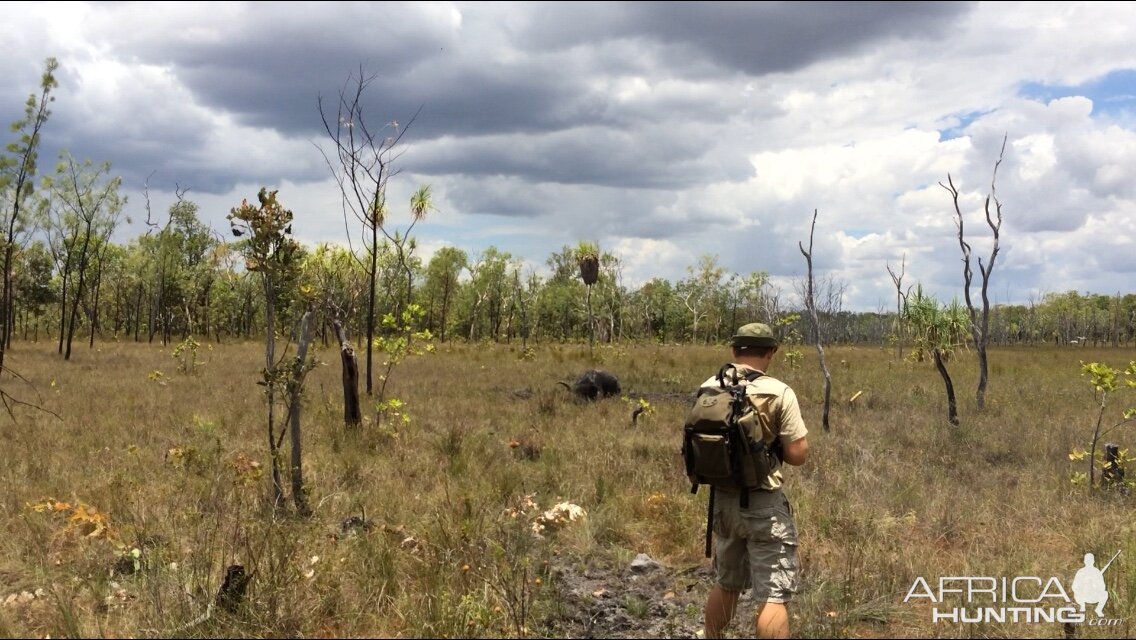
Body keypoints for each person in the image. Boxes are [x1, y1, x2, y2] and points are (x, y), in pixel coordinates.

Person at [701, 322, 809, 639]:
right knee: (773, 595)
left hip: (722, 501)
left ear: (734, 351)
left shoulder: (708, 388)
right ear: (771, 353)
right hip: (764, 504)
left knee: (727, 582)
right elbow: (798, 454)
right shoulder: (778, 392)